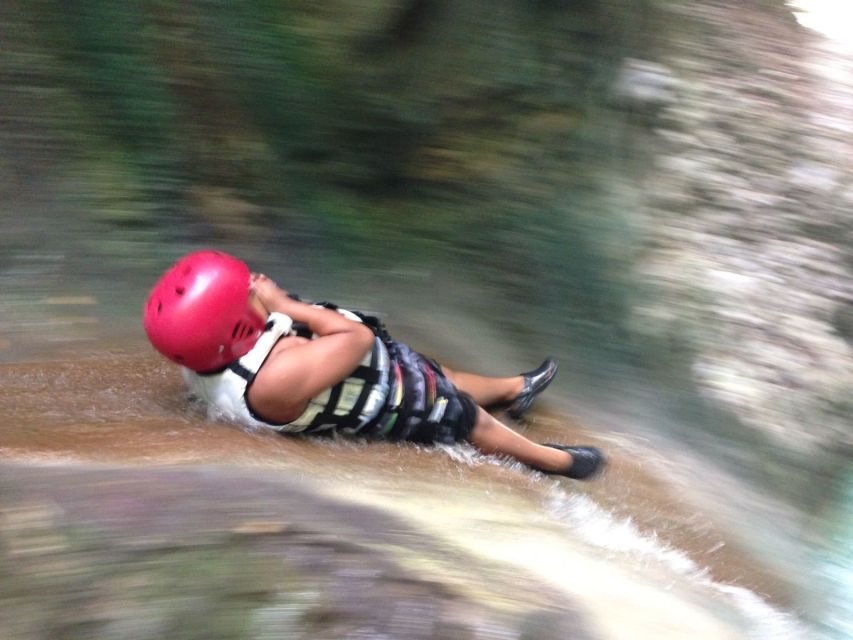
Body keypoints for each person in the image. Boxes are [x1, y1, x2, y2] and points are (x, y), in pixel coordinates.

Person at [143, 250, 605, 479]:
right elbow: (357, 338)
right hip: (387, 403)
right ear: (237, 329)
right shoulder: (273, 379)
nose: (257, 282)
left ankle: (513, 390)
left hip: (377, 376)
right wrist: (284, 302)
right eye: (248, 290)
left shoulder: (213, 358)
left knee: (438, 374)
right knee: (458, 412)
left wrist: (268, 306)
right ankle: (556, 462)